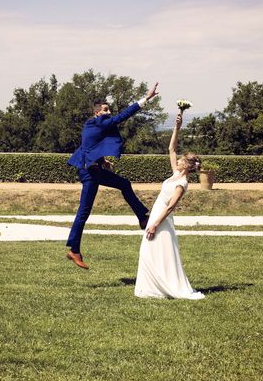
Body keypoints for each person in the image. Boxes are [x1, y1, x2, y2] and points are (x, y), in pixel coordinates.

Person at [66, 82, 160, 269]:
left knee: (124, 184)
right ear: (97, 113)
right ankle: (74, 250)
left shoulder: (92, 124)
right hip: (89, 173)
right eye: (106, 110)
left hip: (93, 169)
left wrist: (101, 162)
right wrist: (146, 99)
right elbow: (123, 116)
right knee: (83, 212)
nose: (109, 113)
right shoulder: (100, 122)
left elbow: (89, 146)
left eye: (109, 110)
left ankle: (142, 216)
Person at [134, 110, 204, 299]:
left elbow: (171, 207)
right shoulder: (175, 174)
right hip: (156, 214)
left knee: (156, 251)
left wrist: (155, 223)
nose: (178, 159)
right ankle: (150, 289)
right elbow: (171, 149)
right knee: (149, 251)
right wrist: (177, 127)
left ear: (186, 166)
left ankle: (163, 287)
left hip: (161, 219)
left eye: (182, 159)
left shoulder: (182, 184)